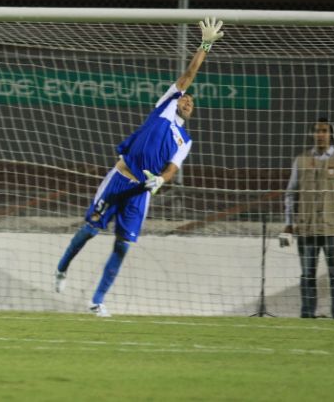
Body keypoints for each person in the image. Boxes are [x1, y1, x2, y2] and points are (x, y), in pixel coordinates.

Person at [54, 17, 225, 317]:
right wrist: (205, 44)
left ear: (193, 112)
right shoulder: (166, 105)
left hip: (140, 191)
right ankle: (62, 268)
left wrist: (160, 181)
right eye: (185, 98)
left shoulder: (185, 139)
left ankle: (97, 300)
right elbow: (189, 74)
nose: (187, 101)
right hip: (120, 177)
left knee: (122, 246)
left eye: (191, 102)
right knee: (91, 230)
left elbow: (172, 168)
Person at [280, 118, 334, 319]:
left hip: (333, 227)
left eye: (324, 130)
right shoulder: (301, 161)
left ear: (332, 134)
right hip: (306, 227)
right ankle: (307, 314)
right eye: (317, 130)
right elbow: (290, 193)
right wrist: (289, 223)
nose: (320, 134)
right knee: (307, 274)